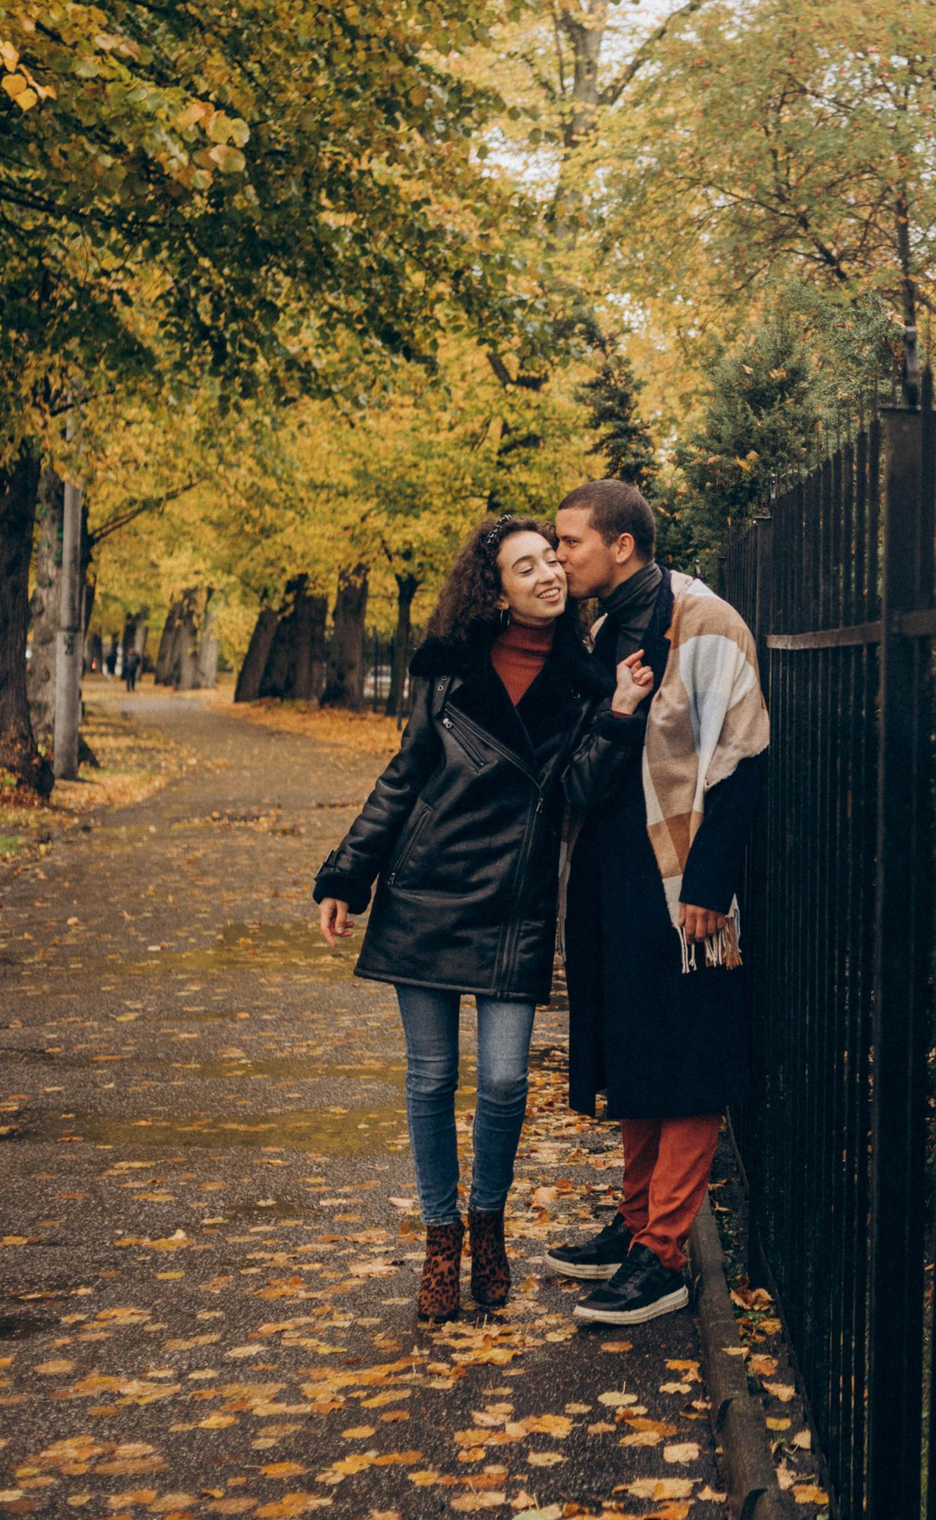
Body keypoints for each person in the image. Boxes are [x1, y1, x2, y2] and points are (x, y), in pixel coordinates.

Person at [309, 516, 608, 1323]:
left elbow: (583, 787)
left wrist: (618, 716)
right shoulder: (446, 669)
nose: (548, 572)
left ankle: (488, 1219)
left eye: (550, 558)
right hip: (426, 892)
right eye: (525, 565)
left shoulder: (586, 678)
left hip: (514, 902)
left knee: (505, 1079)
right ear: (496, 590)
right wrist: (347, 873)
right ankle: (442, 1237)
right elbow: (404, 774)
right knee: (432, 1077)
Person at [541, 479, 770, 1328]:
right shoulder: (604, 627)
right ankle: (637, 1219)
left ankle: (664, 1253)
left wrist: (711, 882)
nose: (559, 557)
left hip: (678, 874)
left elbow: (742, 755)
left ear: (621, 545)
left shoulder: (705, 620)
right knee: (632, 1044)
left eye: (570, 541)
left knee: (688, 1053)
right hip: (611, 869)